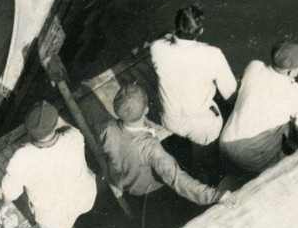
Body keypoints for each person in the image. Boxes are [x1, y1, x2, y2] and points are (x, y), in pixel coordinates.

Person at [99, 83, 237, 211]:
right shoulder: (151, 149)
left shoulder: (108, 130)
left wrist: (114, 184)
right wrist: (214, 196)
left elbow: (111, 158)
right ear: (146, 110)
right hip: (154, 193)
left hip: (128, 185)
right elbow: (177, 179)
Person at [0, 100, 97, 228]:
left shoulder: (22, 158)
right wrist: (48, 111)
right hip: (85, 198)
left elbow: (10, 191)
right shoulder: (74, 136)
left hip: (56, 219)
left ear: (30, 132)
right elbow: (63, 125)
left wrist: (3, 208)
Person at [219, 40, 298, 177]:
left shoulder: (254, 66)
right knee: (291, 127)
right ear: (289, 72)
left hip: (225, 146)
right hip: (249, 161)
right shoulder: (297, 93)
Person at [150, 6, 237, 153]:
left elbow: (165, 38)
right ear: (200, 31)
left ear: (176, 27)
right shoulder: (213, 54)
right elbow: (230, 93)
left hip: (169, 119)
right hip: (200, 127)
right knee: (208, 141)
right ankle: (203, 156)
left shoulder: (157, 47)